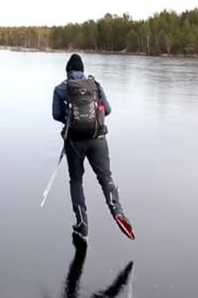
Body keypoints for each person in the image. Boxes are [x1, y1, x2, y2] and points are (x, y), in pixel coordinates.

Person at [52, 54, 135, 241]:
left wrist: (71, 117)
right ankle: (118, 211)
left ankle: (82, 223)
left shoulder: (60, 89)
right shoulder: (95, 85)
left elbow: (56, 114)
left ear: (68, 71)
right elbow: (108, 110)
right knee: (105, 177)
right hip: (98, 139)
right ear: (83, 70)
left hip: (74, 141)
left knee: (76, 180)